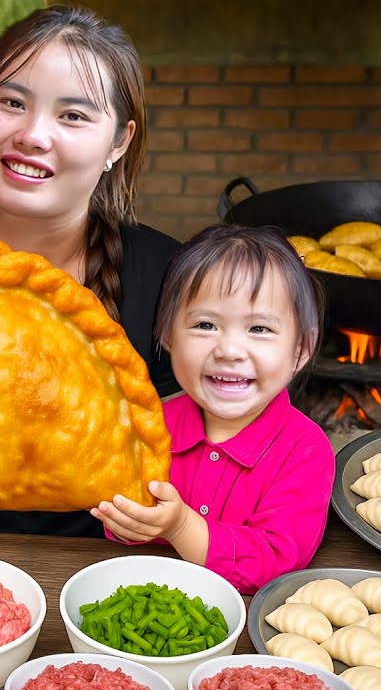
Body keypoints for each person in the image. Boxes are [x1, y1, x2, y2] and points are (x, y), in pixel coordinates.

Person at [0, 5, 180, 537]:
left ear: (119, 141)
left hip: (97, 592)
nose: (32, 134)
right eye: (12, 102)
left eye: (72, 115)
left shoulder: (170, 280)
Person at [91, 225, 336, 594]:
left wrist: (180, 527)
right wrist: (127, 520)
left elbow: (277, 560)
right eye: (205, 325)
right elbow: (122, 525)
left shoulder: (305, 451)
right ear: (168, 336)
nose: (229, 350)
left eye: (259, 329)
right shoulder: (151, 426)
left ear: (301, 348)